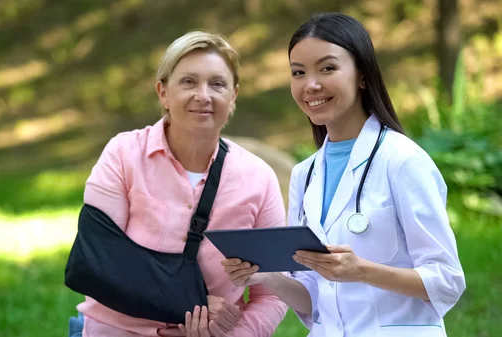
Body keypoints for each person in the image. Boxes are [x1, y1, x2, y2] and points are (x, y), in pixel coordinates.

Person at [221, 12, 466, 337]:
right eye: (298, 72)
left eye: (327, 68)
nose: (311, 84)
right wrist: (263, 275)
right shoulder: (304, 175)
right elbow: (311, 299)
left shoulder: (403, 161)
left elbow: (447, 280)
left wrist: (362, 271)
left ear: (362, 75)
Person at [68, 31, 287, 337]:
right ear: (163, 92)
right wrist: (189, 305)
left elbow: (273, 292)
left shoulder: (259, 178)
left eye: (217, 84)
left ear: (233, 96)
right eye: (188, 81)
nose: (203, 95)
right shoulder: (124, 154)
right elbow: (99, 262)